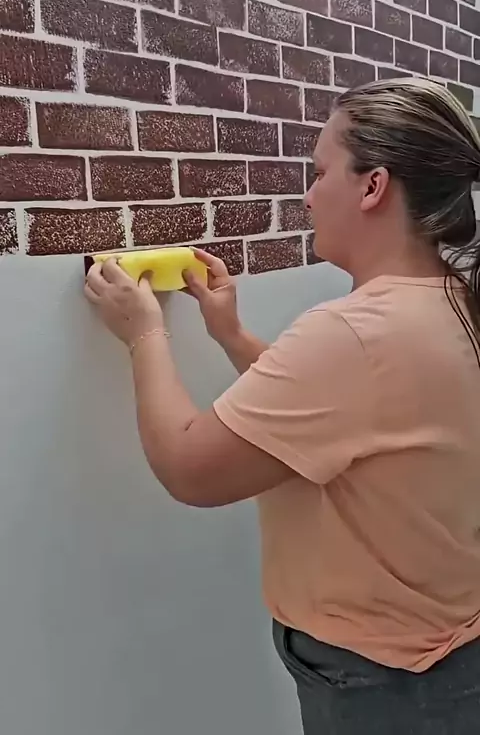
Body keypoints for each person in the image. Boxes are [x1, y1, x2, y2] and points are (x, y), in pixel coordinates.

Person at [85, 77, 480, 733]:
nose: (308, 195)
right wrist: (233, 337)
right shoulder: (452, 300)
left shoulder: (355, 332)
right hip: (446, 655)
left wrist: (143, 333)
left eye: (320, 173)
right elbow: (350, 412)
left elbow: (189, 468)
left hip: (385, 682)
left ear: (373, 186)